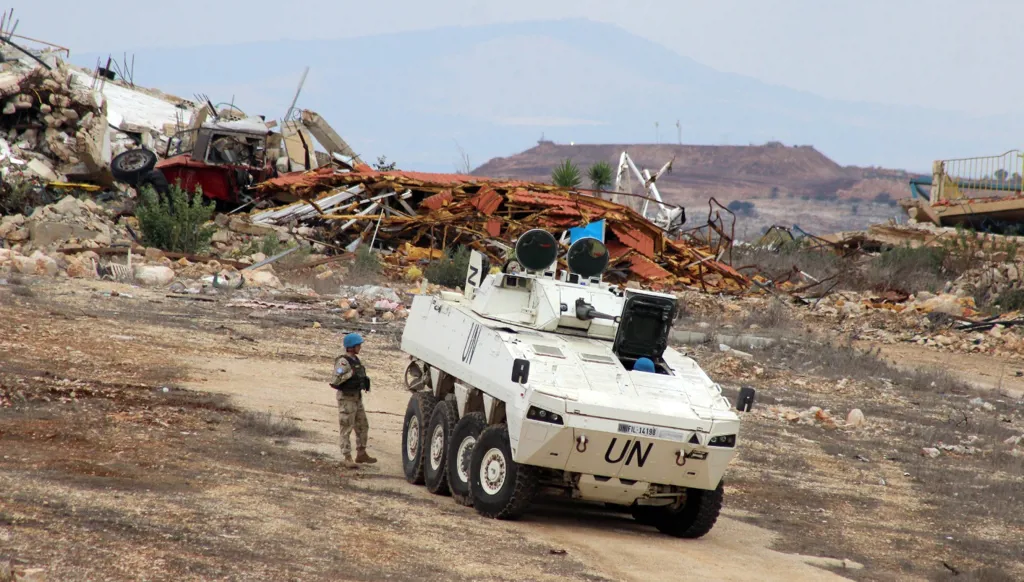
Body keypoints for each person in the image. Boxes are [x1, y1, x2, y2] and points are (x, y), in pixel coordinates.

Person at [331, 332, 377, 468]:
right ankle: (347, 456)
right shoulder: (343, 362)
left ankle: (361, 453)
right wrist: (351, 374)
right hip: (347, 399)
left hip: (357, 398)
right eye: (358, 345)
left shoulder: (356, 360)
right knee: (346, 427)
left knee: (362, 426)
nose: (360, 347)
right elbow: (335, 380)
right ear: (351, 347)